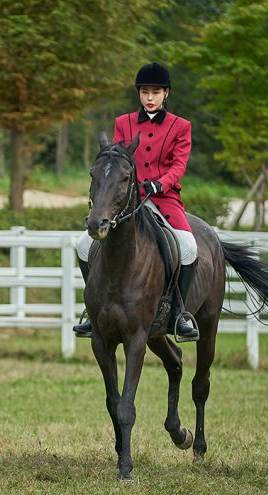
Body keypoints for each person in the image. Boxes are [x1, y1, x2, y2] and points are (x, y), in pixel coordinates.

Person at [73, 62, 199, 342]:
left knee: (189, 247)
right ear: (139, 94)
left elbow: (179, 166)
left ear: (166, 93)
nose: (150, 98)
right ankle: (92, 309)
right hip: (128, 200)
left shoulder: (181, 126)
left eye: (155, 92)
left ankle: (179, 314)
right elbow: (116, 161)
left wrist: (160, 183)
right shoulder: (123, 123)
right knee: (83, 245)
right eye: (145, 92)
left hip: (164, 198)